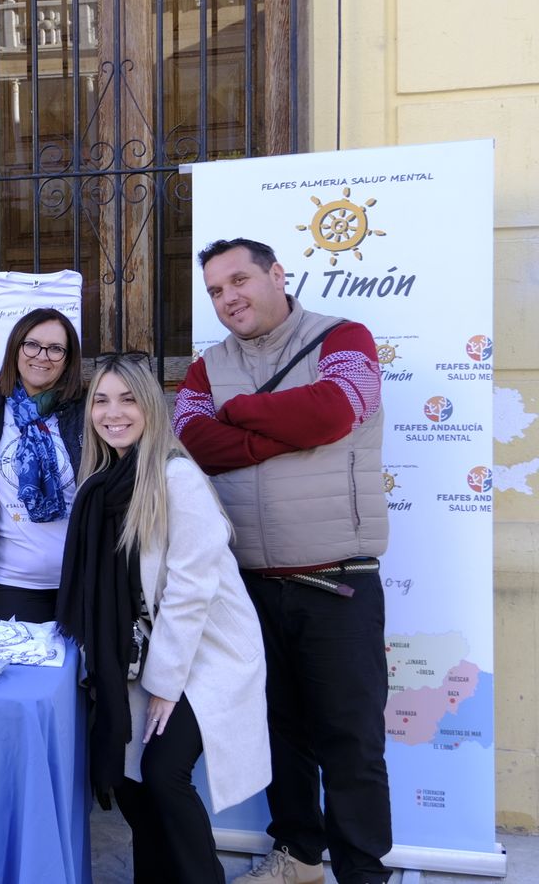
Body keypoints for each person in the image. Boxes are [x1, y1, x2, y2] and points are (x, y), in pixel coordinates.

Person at [175, 238, 390, 884]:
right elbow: (194, 439)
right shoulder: (205, 367)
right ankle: (298, 856)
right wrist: (281, 429)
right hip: (247, 586)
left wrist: (239, 413)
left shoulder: (345, 337)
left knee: (351, 743)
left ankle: (363, 873)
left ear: (277, 273)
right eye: (215, 290)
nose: (228, 297)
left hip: (336, 581)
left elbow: (333, 409)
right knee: (279, 734)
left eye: (239, 279)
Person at [57, 353, 271, 884]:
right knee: (130, 782)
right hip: (144, 653)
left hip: (205, 655)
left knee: (163, 773)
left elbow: (189, 592)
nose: (114, 413)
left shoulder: (177, 478)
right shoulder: (100, 484)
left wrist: (165, 685)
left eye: (128, 399)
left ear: (151, 405)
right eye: (102, 400)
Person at [0, 307, 85, 623]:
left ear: (68, 359)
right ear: (15, 349)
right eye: (32, 344)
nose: (43, 355)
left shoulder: (87, 412)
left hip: (82, 582)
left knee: (79, 672)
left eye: (56, 348)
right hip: (10, 583)